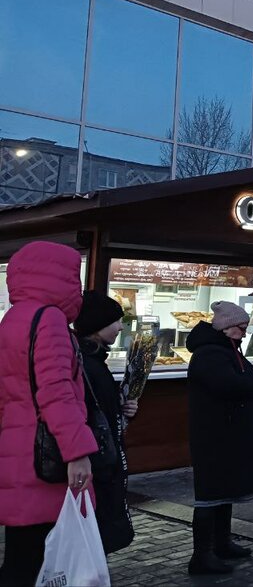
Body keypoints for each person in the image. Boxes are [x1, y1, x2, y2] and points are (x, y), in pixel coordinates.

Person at [0, 242, 99, 586]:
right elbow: (56, 391)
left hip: (17, 454)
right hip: (46, 457)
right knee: (43, 561)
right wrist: (78, 452)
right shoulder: (50, 319)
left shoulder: (13, 318)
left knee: (21, 556)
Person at [186, 301, 253, 575]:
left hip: (227, 432)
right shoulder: (210, 354)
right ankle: (202, 555)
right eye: (241, 327)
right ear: (227, 328)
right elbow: (229, 385)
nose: (245, 332)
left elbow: (238, 380)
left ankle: (222, 542)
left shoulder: (226, 350)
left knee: (224, 491)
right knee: (210, 494)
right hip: (214, 434)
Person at [74, 291, 138, 554]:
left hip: (102, 459)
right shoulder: (86, 363)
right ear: (98, 324)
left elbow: (106, 411)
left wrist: (124, 410)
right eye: (116, 321)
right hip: (97, 463)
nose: (120, 327)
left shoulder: (95, 360)